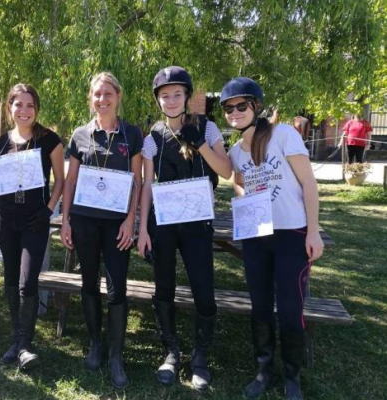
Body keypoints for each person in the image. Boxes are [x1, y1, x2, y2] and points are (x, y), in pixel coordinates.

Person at [221, 77, 324, 400]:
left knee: (291, 308)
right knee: (260, 306)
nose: (234, 112)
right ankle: (264, 370)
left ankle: (292, 375)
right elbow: (238, 182)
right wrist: (247, 198)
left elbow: (309, 184)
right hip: (257, 236)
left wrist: (313, 231)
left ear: (256, 106)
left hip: (292, 233)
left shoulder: (283, 135)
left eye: (241, 105)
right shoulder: (237, 151)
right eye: (227, 108)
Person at [136, 66, 231, 390]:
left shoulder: (207, 127)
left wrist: (201, 145)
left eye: (177, 94)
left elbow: (228, 171)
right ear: (158, 100)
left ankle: (200, 358)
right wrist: (143, 229)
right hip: (163, 222)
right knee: (163, 287)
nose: (172, 100)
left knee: (203, 289)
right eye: (165, 95)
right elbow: (147, 185)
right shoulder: (152, 138)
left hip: (196, 221)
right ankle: (171, 352)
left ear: (187, 96)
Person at [60, 72, 143, 388]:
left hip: (116, 224)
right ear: (90, 99)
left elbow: (137, 181)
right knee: (89, 282)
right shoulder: (80, 135)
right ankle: (96, 343)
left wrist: (130, 220)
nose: (102, 99)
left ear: (118, 96)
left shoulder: (132, 134)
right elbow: (69, 181)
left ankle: (116, 355)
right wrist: (66, 220)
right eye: (96, 94)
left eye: (108, 93)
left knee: (117, 287)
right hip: (84, 221)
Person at [0, 84, 64, 370]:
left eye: (30, 105)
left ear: (37, 108)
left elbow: (61, 179)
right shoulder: (1, 143)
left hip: (35, 219)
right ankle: (18, 341)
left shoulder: (49, 140)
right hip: (7, 218)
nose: (24, 110)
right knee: (10, 279)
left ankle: (25, 343)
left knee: (28, 280)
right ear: (9, 108)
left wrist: (48, 210)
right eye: (18, 104)